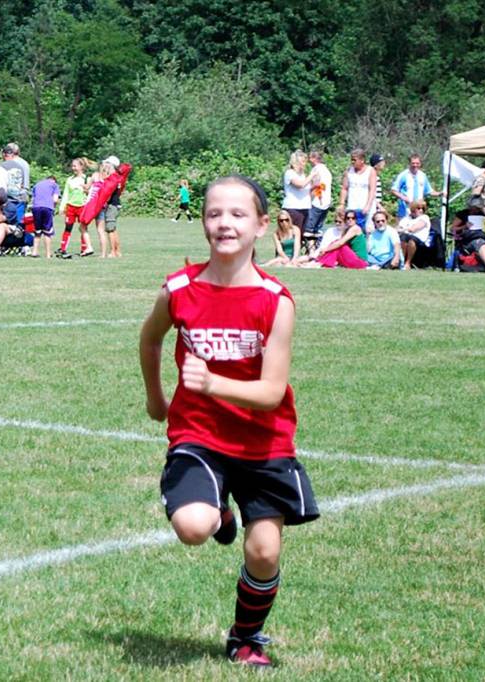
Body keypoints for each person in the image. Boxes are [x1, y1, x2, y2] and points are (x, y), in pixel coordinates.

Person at [139, 175, 318, 668]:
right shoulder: (179, 288)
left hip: (265, 442)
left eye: (238, 214)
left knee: (263, 553)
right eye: (215, 213)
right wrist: (158, 399)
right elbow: (151, 338)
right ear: (203, 223)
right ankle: (217, 511)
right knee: (194, 526)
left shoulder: (275, 301)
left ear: (262, 225)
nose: (225, 223)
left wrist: (213, 383)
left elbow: (271, 392)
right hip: (198, 434)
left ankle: (246, 635)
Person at [56, 158, 94, 258]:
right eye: (72, 166)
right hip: (71, 207)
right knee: (68, 227)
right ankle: (63, 248)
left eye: (75, 166)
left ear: (81, 167)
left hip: (82, 207)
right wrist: (62, 207)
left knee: (83, 228)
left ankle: (84, 248)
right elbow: (66, 194)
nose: (73, 168)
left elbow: (91, 193)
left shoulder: (87, 179)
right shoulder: (70, 180)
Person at [391, 154, 442, 219]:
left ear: (420, 164)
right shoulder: (403, 175)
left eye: (417, 163)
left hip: (419, 210)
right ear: (409, 163)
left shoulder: (423, 176)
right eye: (413, 163)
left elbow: (429, 191)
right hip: (405, 210)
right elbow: (393, 190)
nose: (415, 165)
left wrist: (440, 193)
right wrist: (404, 198)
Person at [338, 149, 376, 231]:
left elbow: (372, 190)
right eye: (351, 159)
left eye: (354, 160)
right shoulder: (348, 171)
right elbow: (344, 188)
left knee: (367, 231)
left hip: (365, 208)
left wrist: (368, 205)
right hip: (352, 207)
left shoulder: (370, 171)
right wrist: (341, 204)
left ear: (362, 160)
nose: (352, 162)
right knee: (351, 230)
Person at [95, 156, 123, 258]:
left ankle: (113, 252)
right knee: (113, 229)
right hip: (116, 205)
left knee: (110, 229)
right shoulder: (118, 177)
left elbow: (106, 190)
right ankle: (117, 251)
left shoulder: (113, 178)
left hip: (112, 206)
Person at [302, 150, 332, 238]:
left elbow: (315, 184)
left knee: (308, 231)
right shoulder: (326, 170)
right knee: (317, 230)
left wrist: (307, 191)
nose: (308, 160)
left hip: (317, 201)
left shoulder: (316, 170)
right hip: (326, 202)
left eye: (310, 158)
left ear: (315, 159)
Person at [397, 200, 434, 269]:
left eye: (422, 209)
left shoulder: (424, 218)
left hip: (420, 241)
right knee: (403, 238)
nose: (421, 210)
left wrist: (403, 229)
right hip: (406, 237)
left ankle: (408, 263)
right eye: (418, 208)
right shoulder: (406, 218)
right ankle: (402, 261)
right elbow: (398, 229)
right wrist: (403, 230)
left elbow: (413, 229)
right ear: (413, 209)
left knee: (410, 239)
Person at [29, 175, 60, 258]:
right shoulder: (55, 185)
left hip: (36, 208)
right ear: (53, 180)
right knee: (47, 231)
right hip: (47, 208)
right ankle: (48, 254)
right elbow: (55, 199)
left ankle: (34, 252)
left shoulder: (37, 184)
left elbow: (32, 198)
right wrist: (54, 208)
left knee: (37, 230)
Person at [281, 151, 311, 230]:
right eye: (303, 161)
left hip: (305, 207)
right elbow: (300, 185)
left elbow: (307, 189)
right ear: (296, 162)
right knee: (293, 234)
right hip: (293, 208)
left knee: (301, 235)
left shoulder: (303, 175)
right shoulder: (290, 173)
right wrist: (312, 175)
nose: (305, 164)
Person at [1, 142, 30, 224]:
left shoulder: (9, 164)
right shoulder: (25, 163)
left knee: (9, 220)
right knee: (20, 221)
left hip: (12, 196)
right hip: (23, 194)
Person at [367, 153, 387, 228]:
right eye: (381, 162)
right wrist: (379, 206)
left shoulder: (376, 176)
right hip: (373, 207)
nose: (383, 163)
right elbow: (372, 194)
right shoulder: (373, 177)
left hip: (376, 207)